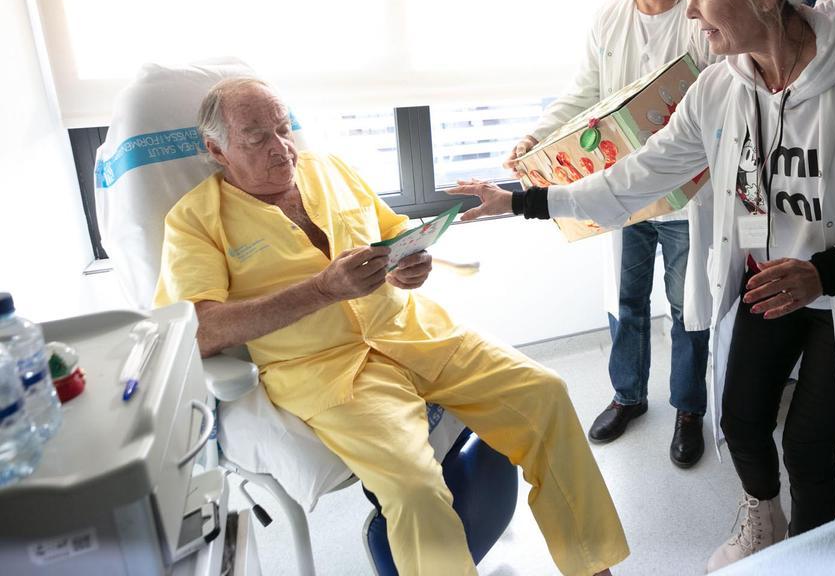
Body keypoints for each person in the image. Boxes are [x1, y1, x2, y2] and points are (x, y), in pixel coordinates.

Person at [450, 0, 835, 571]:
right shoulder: (721, 88)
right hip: (763, 286)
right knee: (741, 420)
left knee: (810, 447)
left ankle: (808, 556)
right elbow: (639, 174)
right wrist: (522, 201)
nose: (690, 11)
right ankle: (761, 518)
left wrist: (826, 269)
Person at [154, 78, 628, 576]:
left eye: (283, 128)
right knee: (414, 489)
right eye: (257, 139)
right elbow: (199, 330)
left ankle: (592, 567)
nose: (281, 149)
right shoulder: (195, 221)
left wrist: (411, 262)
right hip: (328, 370)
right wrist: (321, 291)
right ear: (216, 150)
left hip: (411, 330)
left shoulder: (328, 169)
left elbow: (390, 233)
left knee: (545, 393)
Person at [503, 0, 715, 468]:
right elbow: (583, 94)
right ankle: (628, 396)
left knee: (684, 304)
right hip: (618, 193)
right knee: (625, 300)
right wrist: (539, 136)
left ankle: (689, 409)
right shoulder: (608, 18)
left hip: (681, 196)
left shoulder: (700, 24)